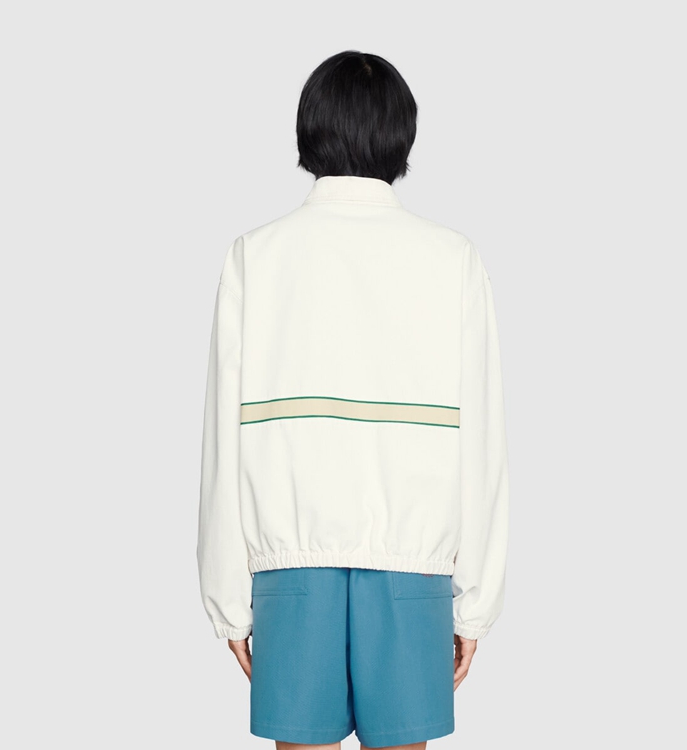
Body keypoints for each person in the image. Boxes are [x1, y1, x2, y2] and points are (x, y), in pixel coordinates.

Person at [196, 50, 510, 750]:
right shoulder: (452, 257)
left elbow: (222, 439)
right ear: (402, 134)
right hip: (413, 576)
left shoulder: (256, 255)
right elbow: (482, 440)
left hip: (290, 576)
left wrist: (227, 602)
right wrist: (476, 603)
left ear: (309, 129)